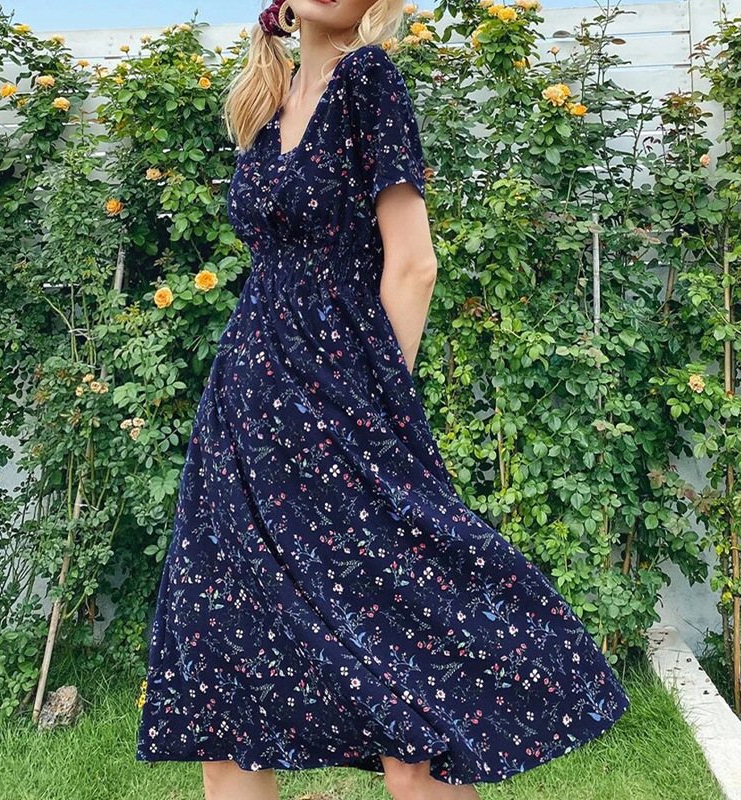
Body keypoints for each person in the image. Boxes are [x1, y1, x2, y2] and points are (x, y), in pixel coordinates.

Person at [135, 1, 631, 798]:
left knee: (409, 699)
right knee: (227, 690)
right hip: (241, 419)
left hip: (337, 411)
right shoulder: (267, 98)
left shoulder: (367, 79)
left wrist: (368, 409)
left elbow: (413, 264)